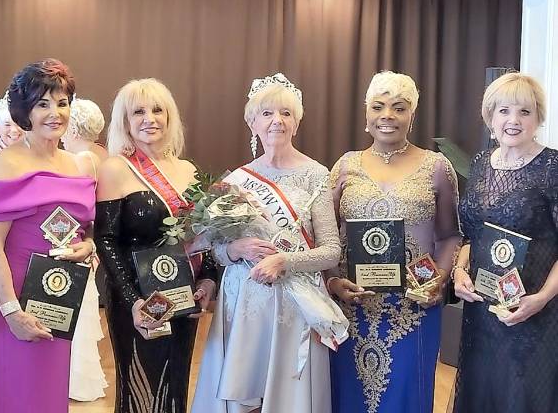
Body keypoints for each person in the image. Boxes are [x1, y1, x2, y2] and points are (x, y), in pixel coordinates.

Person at [191, 73, 341, 413]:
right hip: (244, 299)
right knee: (246, 393)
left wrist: (284, 262)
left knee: (288, 395)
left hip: (296, 303)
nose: (277, 121)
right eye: (267, 113)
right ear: (252, 122)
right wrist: (234, 250)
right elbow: (215, 250)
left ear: (297, 122)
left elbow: (332, 249)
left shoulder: (316, 174)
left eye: (286, 113)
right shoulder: (236, 180)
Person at [328, 71, 461, 413]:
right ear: (366, 114)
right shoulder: (344, 166)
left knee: (406, 397)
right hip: (352, 306)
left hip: (412, 308)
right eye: (378, 106)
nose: (387, 115)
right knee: (349, 397)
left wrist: (438, 281)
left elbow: (450, 235)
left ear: (411, 115)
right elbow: (324, 234)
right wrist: (331, 280)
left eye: (398, 108)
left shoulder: (437, 166)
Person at [0, 59, 98, 413]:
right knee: (18, 392)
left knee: (49, 393)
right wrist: (12, 312)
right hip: (14, 297)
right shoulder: (7, 164)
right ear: (24, 110)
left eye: (61, 103)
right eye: (42, 104)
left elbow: (85, 229)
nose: (54, 113)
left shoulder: (77, 164)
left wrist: (87, 247)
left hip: (59, 297)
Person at [94, 78, 217, 413]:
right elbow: (105, 241)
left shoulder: (188, 171)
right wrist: (133, 301)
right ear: (125, 121)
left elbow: (203, 235)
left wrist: (207, 279)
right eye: (139, 112)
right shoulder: (115, 168)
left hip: (181, 296)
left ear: (170, 116)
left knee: (175, 383)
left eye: (157, 110)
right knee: (140, 388)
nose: (150, 118)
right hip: (138, 299)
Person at [453, 72, 558, 413]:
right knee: (482, 393)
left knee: (523, 396)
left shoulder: (552, 166)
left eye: (524, 112)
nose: (513, 120)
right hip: (482, 312)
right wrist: (458, 270)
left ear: (538, 117)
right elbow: (473, 233)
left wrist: (541, 298)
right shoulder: (482, 164)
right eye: (504, 110)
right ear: (490, 116)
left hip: (533, 314)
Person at [63, 97, 108, 401]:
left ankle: (73, 382)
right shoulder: (101, 154)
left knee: (76, 309)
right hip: (93, 240)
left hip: (81, 239)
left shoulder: (81, 160)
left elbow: (78, 209)